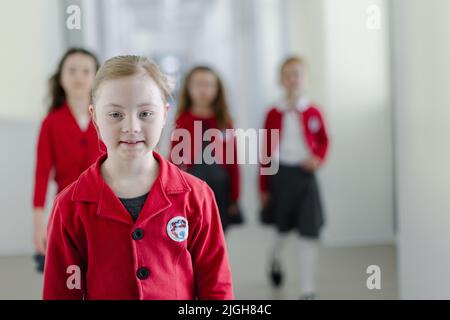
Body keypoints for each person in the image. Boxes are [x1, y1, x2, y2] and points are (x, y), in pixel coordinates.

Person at [43, 55, 233, 300]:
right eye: (115, 115)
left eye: (145, 113)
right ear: (95, 117)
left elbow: (216, 287)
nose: (131, 127)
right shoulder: (69, 206)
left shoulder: (197, 196)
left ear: (164, 114)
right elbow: (60, 293)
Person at [259, 56, 329, 299]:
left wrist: (317, 158)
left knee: (308, 232)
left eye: (297, 74)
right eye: (288, 74)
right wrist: (264, 188)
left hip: (305, 176)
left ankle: (308, 290)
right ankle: (275, 258)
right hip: (281, 176)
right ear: (281, 80)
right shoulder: (273, 113)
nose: (293, 79)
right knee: (282, 230)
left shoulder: (313, 110)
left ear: (305, 78)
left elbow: (323, 141)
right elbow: (265, 151)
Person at [32, 48, 103, 273]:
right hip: (65, 210)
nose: (79, 77)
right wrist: (38, 224)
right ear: (61, 77)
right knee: (68, 277)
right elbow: (41, 174)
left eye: (86, 71)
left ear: (96, 77)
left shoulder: (108, 119)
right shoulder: (51, 123)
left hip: (106, 208)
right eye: (71, 71)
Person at [170, 66, 242, 233]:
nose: (204, 89)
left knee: (218, 237)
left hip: (220, 191)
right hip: (191, 189)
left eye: (209, 84)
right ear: (188, 88)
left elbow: (233, 162)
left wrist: (234, 197)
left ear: (217, 89)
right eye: (198, 84)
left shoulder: (225, 122)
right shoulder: (182, 121)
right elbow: (174, 160)